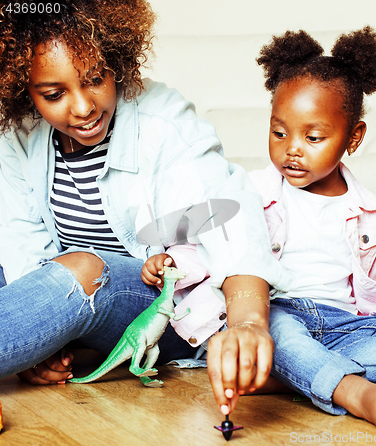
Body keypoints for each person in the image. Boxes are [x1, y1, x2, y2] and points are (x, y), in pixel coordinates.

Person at [0, 0, 281, 406]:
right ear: (22, 87)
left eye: (96, 78)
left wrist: (249, 321)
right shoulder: (17, 131)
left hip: (157, 305)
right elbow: (21, 241)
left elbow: (227, 209)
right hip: (57, 294)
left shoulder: (163, 118)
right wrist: (37, 339)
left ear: (117, 59)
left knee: (84, 269)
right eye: (54, 93)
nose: (83, 108)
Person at [241, 27, 376, 437]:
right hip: (279, 311)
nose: (292, 148)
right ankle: (351, 390)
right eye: (279, 132)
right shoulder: (252, 191)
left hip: (343, 324)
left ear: (353, 138)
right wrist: (168, 259)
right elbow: (213, 244)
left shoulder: (373, 215)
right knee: (273, 327)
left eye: (312, 137)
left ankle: (289, 373)